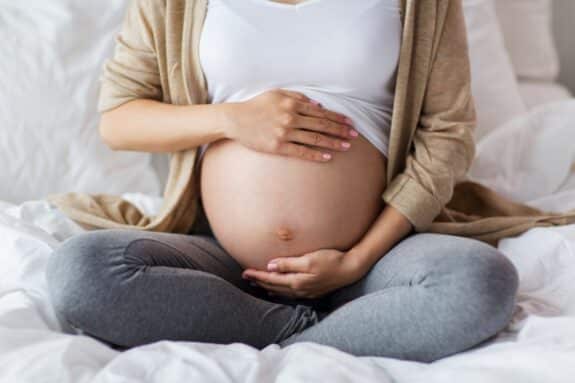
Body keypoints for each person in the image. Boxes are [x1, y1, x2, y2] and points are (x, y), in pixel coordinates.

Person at [45, 0, 519, 363]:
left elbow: (447, 133)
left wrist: (356, 259)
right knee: (80, 273)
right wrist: (231, 119)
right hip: (226, 264)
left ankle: (289, 338)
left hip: (373, 261)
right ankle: (316, 336)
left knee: (480, 281)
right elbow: (119, 119)